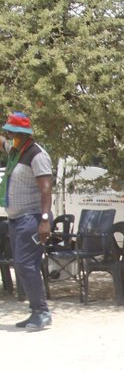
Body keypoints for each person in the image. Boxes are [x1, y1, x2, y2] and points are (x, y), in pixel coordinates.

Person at [1, 112, 53, 331]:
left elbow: (46, 188)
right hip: (16, 218)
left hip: (32, 218)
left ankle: (41, 312)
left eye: (12, 131)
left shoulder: (36, 154)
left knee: (25, 264)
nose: (9, 134)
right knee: (23, 265)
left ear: (22, 133)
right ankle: (35, 311)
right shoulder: (16, 152)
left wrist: (44, 220)